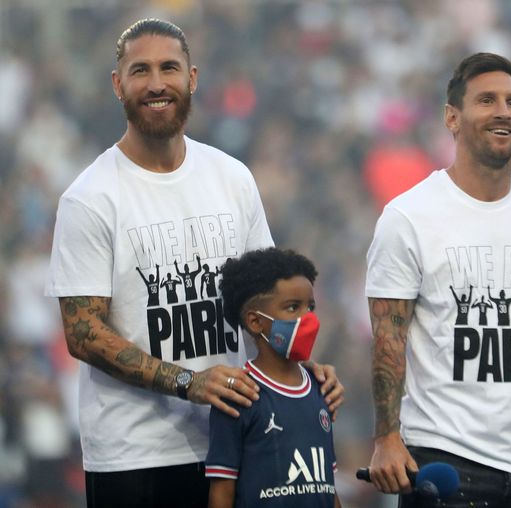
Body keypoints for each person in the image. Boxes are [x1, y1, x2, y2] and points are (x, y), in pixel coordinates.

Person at [44, 18, 343, 508]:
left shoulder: (232, 177)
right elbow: (82, 333)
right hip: (136, 456)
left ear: (193, 78)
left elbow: (268, 301)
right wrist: (188, 383)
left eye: (169, 68)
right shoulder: (90, 198)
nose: (157, 83)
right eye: (140, 70)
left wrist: (304, 373)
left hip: (240, 438)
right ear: (118, 85)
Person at [365, 53, 511, 507]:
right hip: (446, 460)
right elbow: (388, 337)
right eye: (487, 100)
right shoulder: (408, 216)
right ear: (452, 117)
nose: (504, 111)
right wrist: (387, 436)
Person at [206, 247, 342, 508]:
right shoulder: (239, 395)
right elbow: (222, 493)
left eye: (310, 307)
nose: (308, 319)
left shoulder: (321, 388)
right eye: (293, 307)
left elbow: (327, 485)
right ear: (256, 322)